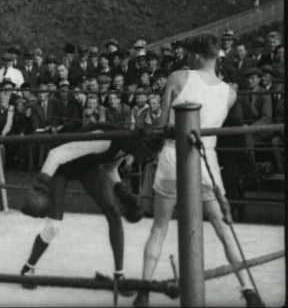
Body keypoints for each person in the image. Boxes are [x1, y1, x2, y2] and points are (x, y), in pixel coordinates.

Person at [133, 34, 263, 307]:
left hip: (173, 156)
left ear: (197, 55)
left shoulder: (178, 77)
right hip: (206, 161)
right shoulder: (229, 93)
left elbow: (159, 123)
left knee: (159, 228)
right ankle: (248, 288)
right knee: (223, 228)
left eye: (190, 54)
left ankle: (144, 290)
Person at [19, 123, 164, 292]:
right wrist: (41, 185)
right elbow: (56, 154)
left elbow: (110, 167)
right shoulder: (105, 139)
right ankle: (28, 268)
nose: (145, 158)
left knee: (113, 212)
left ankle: (119, 276)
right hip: (61, 166)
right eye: (146, 154)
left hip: (86, 166)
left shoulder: (127, 145)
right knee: (53, 226)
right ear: (141, 145)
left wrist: (120, 189)